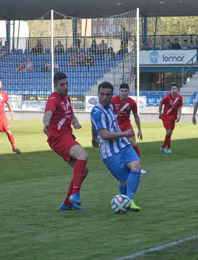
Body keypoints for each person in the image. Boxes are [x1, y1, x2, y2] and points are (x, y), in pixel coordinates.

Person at [91, 81, 142, 212]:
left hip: (123, 145)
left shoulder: (111, 106)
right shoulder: (97, 111)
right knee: (125, 181)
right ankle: (126, 201)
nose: (104, 97)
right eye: (102, 94)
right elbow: (104, 134)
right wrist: (125, 133)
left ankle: (129, 199)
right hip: (110, 151)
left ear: (112, 95)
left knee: (136, 166)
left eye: (108, 94)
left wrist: (93, 137)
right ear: (98, 94)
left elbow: (93, 126)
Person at [43, 72, 89, 210]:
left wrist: (76, 122)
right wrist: (46, 124)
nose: (65, 87)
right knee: (84, 156)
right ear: (55, 85)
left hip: (66, 136)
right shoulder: (53, 99)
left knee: (84, 171)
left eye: (67, 84)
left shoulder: (66, 98)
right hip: (58, 138)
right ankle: (75, 194)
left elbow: (70, 113)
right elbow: (47, 114)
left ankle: (67, 203)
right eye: (62, 85)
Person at [111, 83, 146, 174]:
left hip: (126, 126)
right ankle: (121, 166)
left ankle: (138, 166)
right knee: (115, 147)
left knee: (133, 143)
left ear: (128, 92)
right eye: (122, 91)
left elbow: (136, 116)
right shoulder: (113, 100)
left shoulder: (132, 102)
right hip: (116, 126)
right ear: (119, 92)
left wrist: (139, 130)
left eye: (125, 91)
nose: (123, 93)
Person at [159, 83, 183, 154]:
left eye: (175, 89)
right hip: (166, 117)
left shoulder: (179, 97)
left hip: (173, 117)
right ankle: (169, 149)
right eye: (173, 89)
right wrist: (160, 113)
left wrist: (179, 116)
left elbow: (180, 107)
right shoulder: (166, 97)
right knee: (168, 132)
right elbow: (160, 104)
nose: (174, 90)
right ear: (171, 90)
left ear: (178, 90)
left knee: (170, 132)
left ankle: (163, 146)